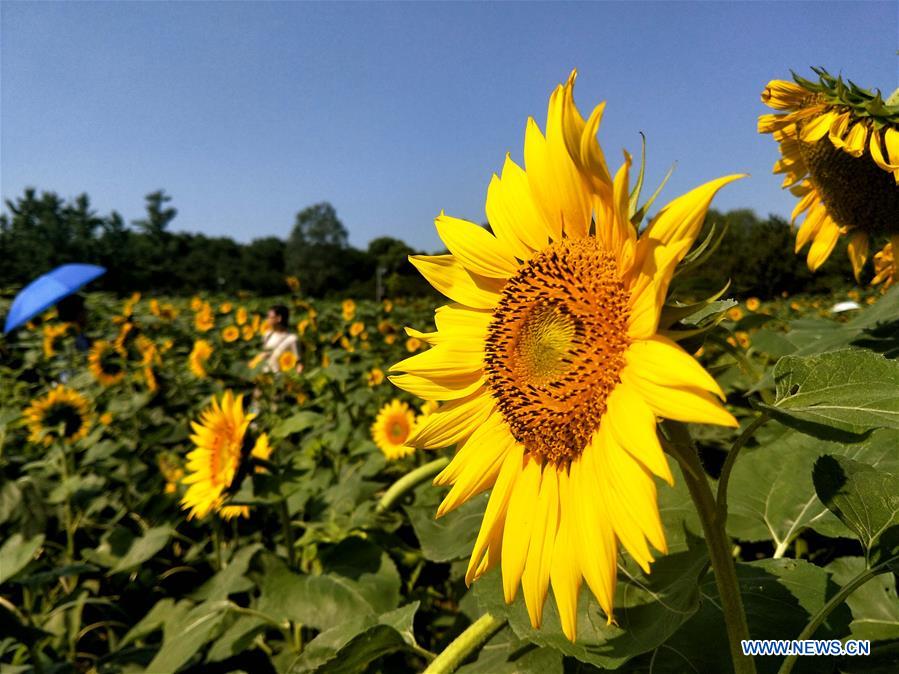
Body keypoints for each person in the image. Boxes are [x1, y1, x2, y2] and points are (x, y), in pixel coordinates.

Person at [259, 304, 301, 373]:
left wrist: (298, 377)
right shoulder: (267, 335)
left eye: (270, 317)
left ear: (279, 318)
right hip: (266, 377)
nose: (267, 319)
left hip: (281, 378)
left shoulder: (292, 339)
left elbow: (298, 363)